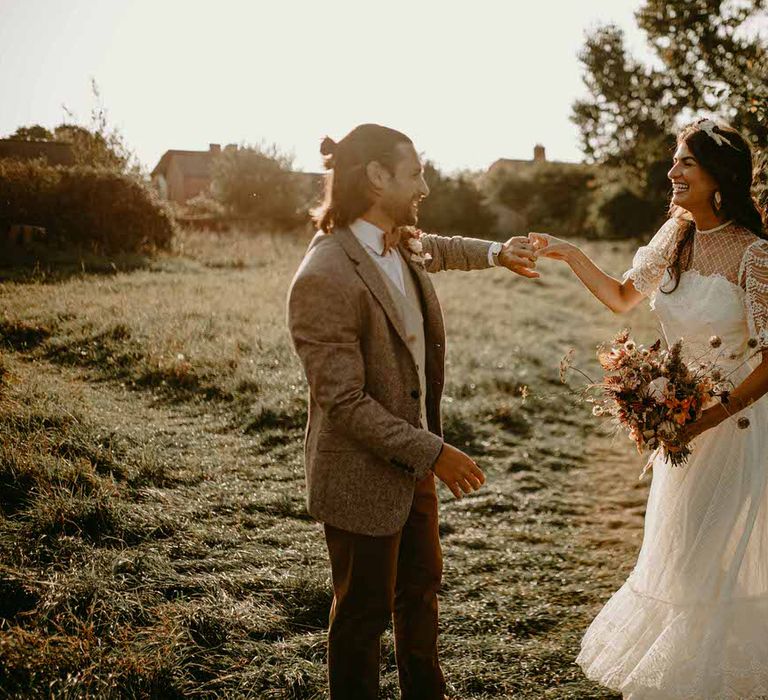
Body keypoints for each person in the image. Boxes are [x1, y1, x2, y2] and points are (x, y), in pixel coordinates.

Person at [287, 123, 538, 700]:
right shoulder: (325, 273)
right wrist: (436, 452)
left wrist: (500, 253)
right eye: (415, 172)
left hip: (415, 463)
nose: (424, 184)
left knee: (421, 589)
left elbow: (440, 250)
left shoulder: (398, 240)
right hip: (360, 473)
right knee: (363, 615)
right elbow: (343, 402)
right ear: (377, 177)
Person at [531, 119, 768, 699]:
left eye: (685, 161)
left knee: (713, 561)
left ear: (721, 176)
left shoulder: (755, 255)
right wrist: (569, 253)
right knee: (682, 561)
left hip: (734, 430)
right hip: (678, 433)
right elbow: (620, 297)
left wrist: (707, 416)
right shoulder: (675, 236)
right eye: (675, 160)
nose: (672, 172)